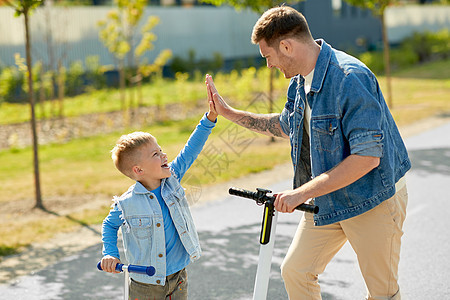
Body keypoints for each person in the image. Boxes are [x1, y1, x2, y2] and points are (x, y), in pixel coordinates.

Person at [206, 6, 410, 300]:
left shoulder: (350, 78)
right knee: (296, 272)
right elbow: (286, 124)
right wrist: (230, 113)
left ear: (287, 46)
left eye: (268, 57)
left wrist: (301, 193)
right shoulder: (300, 82)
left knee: (382, 293)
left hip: (372, 198)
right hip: (328, 197)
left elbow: (367, 158)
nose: (269, 66)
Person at [100, 86, 217, 300]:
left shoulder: (172, 178)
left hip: (178, 277)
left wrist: (209, 118)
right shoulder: (127, 203)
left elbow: (190, 150)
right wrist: (110, 253)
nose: (164, 155)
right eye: (156, 154)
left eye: (161, 150)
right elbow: (109, 225)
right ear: (138, 170)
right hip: (144, 284)